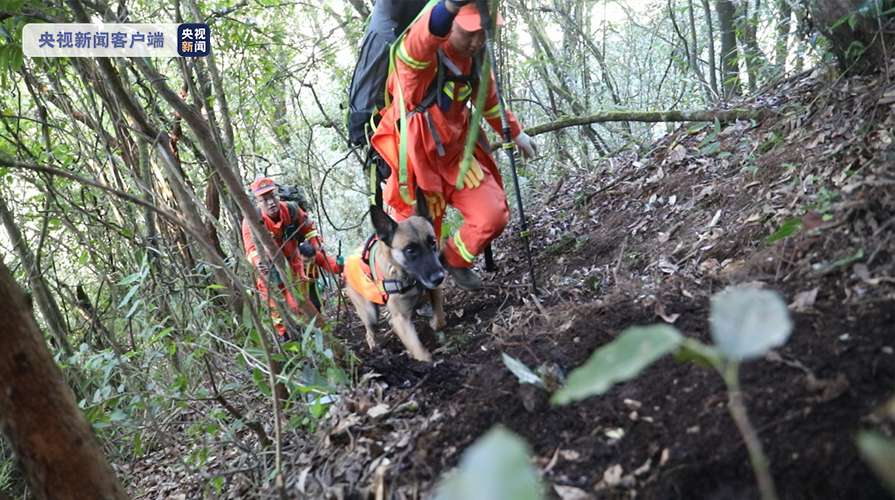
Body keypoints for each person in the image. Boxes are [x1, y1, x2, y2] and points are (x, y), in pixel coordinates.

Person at [370, 0, 536, 291]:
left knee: (492, 216)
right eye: (469, 31)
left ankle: (454, 260)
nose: (477, 41)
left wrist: (516, 133)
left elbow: (489, 100)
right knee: (411, 245)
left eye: (483, 31)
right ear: (450, 24)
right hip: (415, 171)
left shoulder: (476, 58)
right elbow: (417, 44)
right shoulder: (418, 62)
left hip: (458, 159)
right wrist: (448, 7)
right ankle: (414, 295)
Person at [242, 176, 325, 337]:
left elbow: (308, 228)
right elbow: (250, 248)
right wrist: (258, 262)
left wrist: (317, 243)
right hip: (269, 270)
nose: (271, 202)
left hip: (293, 264)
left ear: (278, 195)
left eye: (273, 196)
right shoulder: (250, 221)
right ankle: (288, 339)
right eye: (264, 200)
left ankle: (314, 335)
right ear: (257, 202)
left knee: (300, 301)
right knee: (278, 310)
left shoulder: (291, 209)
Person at [298, 241, 343, 312]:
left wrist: (339, 264)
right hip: (297, 285)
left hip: (311, 284)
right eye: (305, 261)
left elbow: (334, 268)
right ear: (299, 256)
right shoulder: (293, 260)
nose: (308, 264)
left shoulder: (318, 256)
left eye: (311, 261)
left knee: (315, 305)